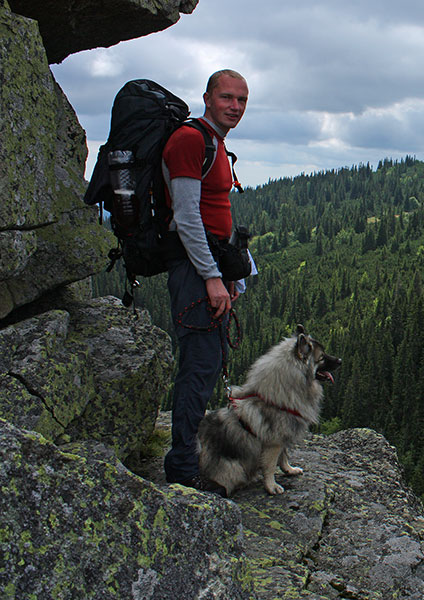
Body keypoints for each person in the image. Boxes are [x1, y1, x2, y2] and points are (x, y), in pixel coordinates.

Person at [162, 69, 249, 495]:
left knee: (208, 365)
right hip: (194, 271)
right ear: (208, 98)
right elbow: (186, 218)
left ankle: (187, 456)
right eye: (227, 97)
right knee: (197, 370)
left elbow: (215, 214)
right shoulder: (190, 140)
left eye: (242, 100)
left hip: (210, 270)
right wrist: (213, 279)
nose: (235, 106)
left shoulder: (215, 142)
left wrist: (232, 278)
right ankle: (181, 469)